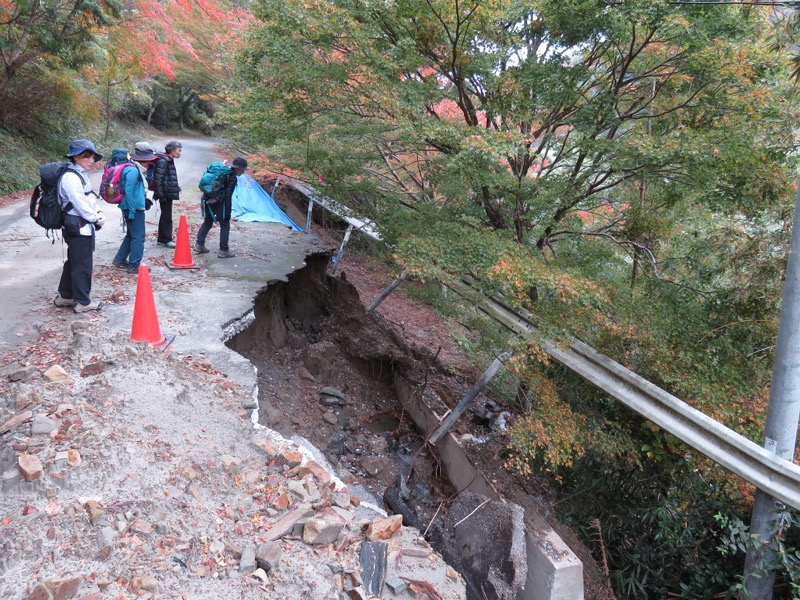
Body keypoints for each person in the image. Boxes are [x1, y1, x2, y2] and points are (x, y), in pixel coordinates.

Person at [54, 139, 106, 313]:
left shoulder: (79, 174)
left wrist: (98, 213)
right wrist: (94, 218)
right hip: (78, 225)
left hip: (80, 224)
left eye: (93, 157)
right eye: (87, 156)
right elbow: (79, 202)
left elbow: (88, 198)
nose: (91, 160)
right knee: (82, 264)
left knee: (74, 261)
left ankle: (65, 296)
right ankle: (82, 301)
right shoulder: (70, 177)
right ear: (75, 157)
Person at [110, 146, 156, 274]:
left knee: (131, 234)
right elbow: (129, 191)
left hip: (132, 206)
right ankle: (134, 265)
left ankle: (119, 259)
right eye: (149, 161)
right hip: (133, 207)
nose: (151, 163)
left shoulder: (135, 169)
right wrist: (131, 211)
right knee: (138, 237)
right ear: (144, 161)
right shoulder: (133, 170)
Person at [194, 156, 247, 258]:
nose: (243, 172)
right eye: (243, 169)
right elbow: (228, 195)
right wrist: (227, 212)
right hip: (220, 203)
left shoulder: (223, 172)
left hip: (209, 199)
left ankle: (199, 245)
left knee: (207, 222)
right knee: (225, 225)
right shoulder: (232, 177)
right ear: (237, 168)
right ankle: (223, 250)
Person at [152, 141, 182, 248]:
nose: (180, 153)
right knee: (167, 217)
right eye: (179, 150)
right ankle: (167, 239)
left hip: (167, 193)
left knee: (165, 216)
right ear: (172, 150)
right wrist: (161, 195)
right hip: (164, 195)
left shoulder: (169, 160)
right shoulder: (164, 161)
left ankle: (161, 239)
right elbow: (158, 180)